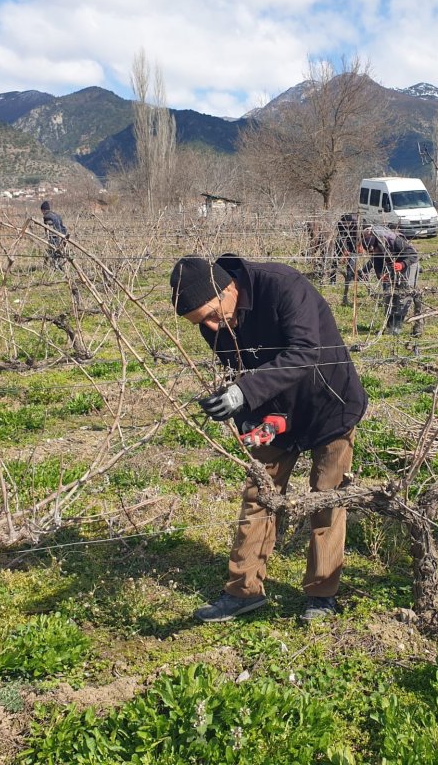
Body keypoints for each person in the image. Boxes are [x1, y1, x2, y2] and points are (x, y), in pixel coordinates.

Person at [170, 254, 368, 622]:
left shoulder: (283, 286)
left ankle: (321, 595)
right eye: (201, 323)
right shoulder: (215, 323)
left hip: (329, 401)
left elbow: (305, 352)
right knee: (259, 495)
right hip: (273, 409)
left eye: (213, 314)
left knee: (327, 495)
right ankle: (243, 590)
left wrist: (244, 394)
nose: (212, 327)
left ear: (229, 287)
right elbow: (240, 368)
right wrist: (247, 417)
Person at [361, 225, 420, 334]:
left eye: (376, 250)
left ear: (378, 243)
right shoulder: (375, 247)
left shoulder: (395, 240)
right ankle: (389, 325)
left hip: (409, 262)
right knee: (389, 294)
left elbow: (413, 255)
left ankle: (397, 326)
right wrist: (380, 274)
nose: (375, 252)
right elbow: (376, 260)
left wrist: (402, 264)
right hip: (393, 263)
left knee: (404, 292)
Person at [40, 200, 69, 268]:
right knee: (59, 251)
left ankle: (55, 266)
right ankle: (58, 265)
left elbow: (49, 228)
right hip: (63, 235)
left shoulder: (47, 217)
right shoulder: (56, 215)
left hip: (55, 236)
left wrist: (48, 236)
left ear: (43, 210)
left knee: (54, 251)